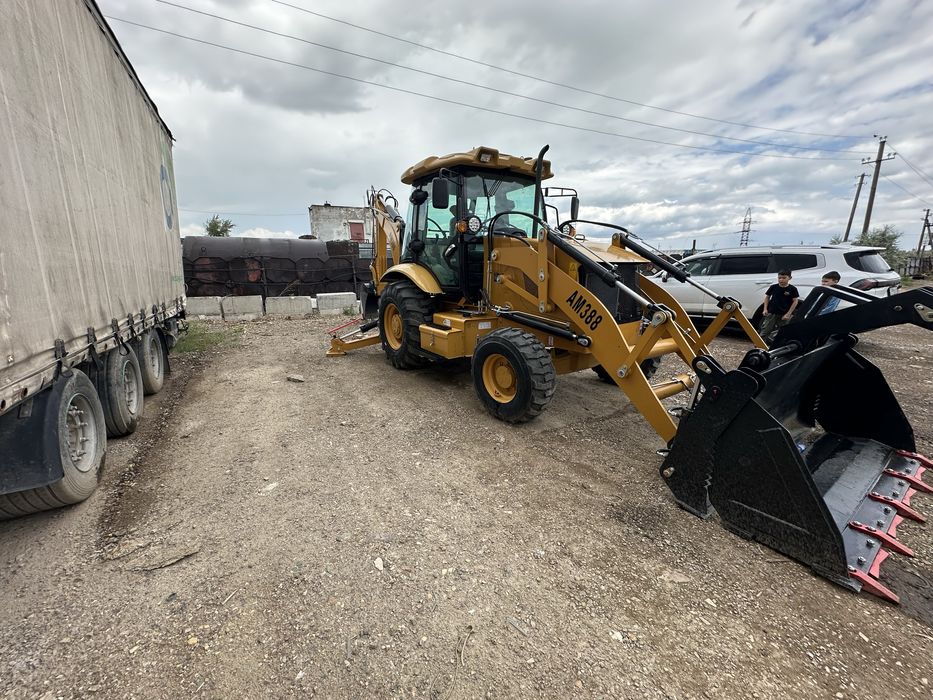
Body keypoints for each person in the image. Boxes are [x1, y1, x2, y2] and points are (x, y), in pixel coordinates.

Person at [759, 269, 800, 340]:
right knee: (765, 330)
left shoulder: (792, 289)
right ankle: (759, 346)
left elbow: (795, 301)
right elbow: (767, 297)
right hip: (772, 313)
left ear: (790, 278)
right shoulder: (773, 287)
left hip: (784, 314)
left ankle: (777, 346)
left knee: (782, 331)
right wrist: (765, 309)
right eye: (779, 278)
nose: (781, 280)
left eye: (784, 278)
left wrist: (788, 313)